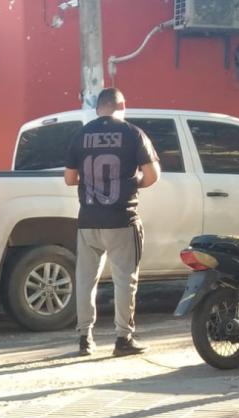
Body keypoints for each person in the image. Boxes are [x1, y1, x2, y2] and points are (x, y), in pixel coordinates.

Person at [63, 88, 161, 357]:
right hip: (121, 218)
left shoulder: (81, 135)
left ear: (98, 108)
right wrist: (132, 182)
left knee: (85, 281)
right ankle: (123, 339)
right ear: (122, 105)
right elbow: (152, 175)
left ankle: (84, 339)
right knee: (124, 280)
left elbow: (70, 179)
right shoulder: (133, 133)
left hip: (89, 220)